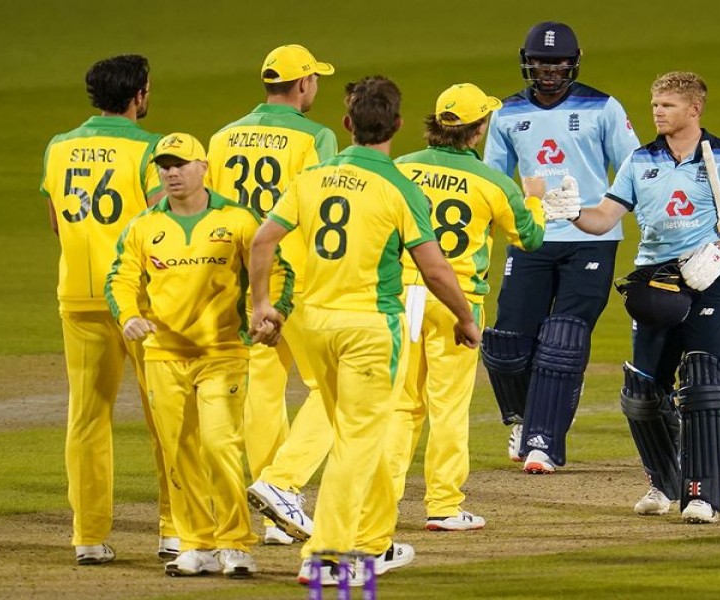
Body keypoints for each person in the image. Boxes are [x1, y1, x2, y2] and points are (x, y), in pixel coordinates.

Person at [248, 76, 481, 587]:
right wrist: (465, 317)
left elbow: (263, 241)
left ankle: (375, 543)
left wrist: (260, 302)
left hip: (313, 324)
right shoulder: (398, 185)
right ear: (397, 125)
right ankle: (329, 556)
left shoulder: (312, 178)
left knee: (360, 433)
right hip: (369, 331)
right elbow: (437, 269)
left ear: (347, 124)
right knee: (357, 443)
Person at [542, 71, 720, 523]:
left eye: (667, 105)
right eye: (655, 104)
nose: (657, 111)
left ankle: (702, 495)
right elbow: (605, 218)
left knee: (704, 381)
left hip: (708, 276)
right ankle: (661, 484)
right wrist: (572, 214)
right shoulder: (639, 160)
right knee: (643, 390)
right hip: (653, 282)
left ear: (694, 109)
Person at [106, 132, 294, 576]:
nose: (171, 172)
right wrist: (129, 316)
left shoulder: (238, 219)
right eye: (164, 166)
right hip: (163, 356)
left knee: (219, 444)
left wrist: (273, 313)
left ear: (203, 167)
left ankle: (235, 543)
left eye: (180, 164)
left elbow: (279, 269)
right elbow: (119, 279)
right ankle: (197, 543)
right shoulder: (144, 226)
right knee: (179, 450)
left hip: (223, 352)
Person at [480, 21, 640, 474]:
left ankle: (542, 442)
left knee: (562, 341)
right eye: (541, 63)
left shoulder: (602, 107)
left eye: (558, 63)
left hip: (591, 237)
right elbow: (494, 179)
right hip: (532, 237)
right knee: (507, 343)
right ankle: (526, 417)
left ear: (573, 62)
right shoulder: (507, 113)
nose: (549, 71)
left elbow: (632, 168)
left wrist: (611, 212)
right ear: (527, 62)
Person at [386, 83, 545, 531]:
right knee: (448, 407)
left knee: (400, 405)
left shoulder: (399, 169)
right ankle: (443, 505)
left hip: (402, 297)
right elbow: (530, 238)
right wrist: (534, 196)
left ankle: (385, 498)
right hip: (456, 303)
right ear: (478, 130)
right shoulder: (493, 182)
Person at [38, 54, 177, 565]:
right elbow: (166, 226)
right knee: (167, 414)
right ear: (140, 94)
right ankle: (174, 531)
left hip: (78, 296)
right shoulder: (151, 150)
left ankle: (88, 536)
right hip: (142, 302)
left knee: (87, 418)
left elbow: (56, 221)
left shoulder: (58, 146)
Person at [206, 44, 338, 546]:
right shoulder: (316, 136)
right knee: (336, 389)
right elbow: (326, 207)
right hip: (300, 280)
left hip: (245, 282)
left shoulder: (221, 138)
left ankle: (274, 512)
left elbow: (215, 207)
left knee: (263, 393)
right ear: (303, 84)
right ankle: (283, 483)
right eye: (315, 80)